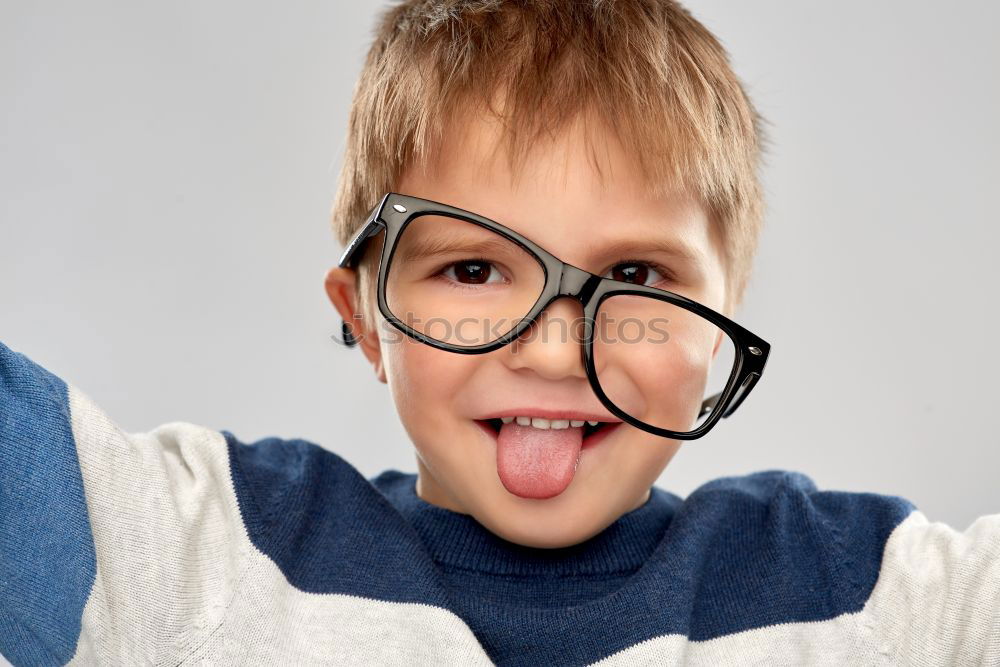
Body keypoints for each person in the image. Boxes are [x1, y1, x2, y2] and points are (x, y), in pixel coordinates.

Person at [2, 1, 997, 665]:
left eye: (637, 276)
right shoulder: (204, 558)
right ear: (363, 315)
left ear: (717, 327)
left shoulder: (870, 593)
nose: (557, 352)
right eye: (472, 269)